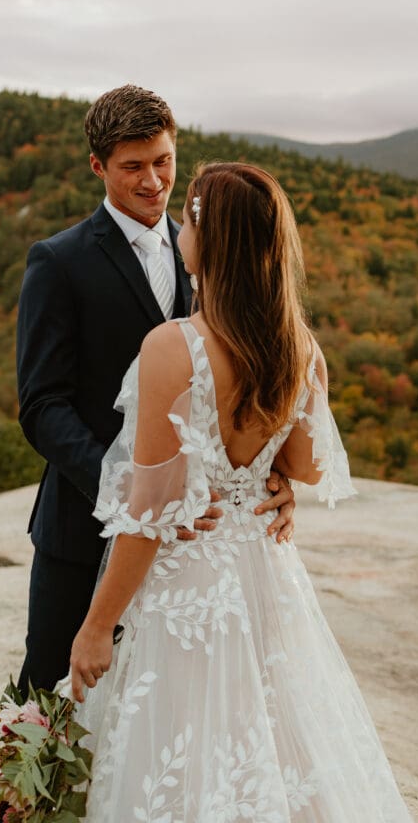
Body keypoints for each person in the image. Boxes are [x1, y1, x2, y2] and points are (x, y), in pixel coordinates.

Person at [65, 162, 413, 821]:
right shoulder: (300, 349)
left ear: (211, 239)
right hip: (264, 575)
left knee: (181, 749)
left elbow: (147, 518)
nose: (178, 230)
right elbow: (306, 466)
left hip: (187, 590)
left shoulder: (174, 347)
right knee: (277, 740)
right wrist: (271, 479)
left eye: (189, 217)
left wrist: (95, 628)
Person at [15, 86, 296, 694]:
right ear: (98, 166)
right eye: (133, 167)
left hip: (195, 545)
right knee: (50, 696)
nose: (153, 181)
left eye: (163, 161)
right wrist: (131, 488)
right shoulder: (57, 263)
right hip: (84, 524)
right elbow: (41, 406)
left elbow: (250, 372)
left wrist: (277, 475)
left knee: (167, 701)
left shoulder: (208, 249)